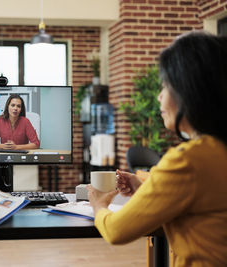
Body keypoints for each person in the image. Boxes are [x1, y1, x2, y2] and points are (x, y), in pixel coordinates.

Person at [87, 31, 227, 266]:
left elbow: (116, 231)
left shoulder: (188, 160)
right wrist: (146, 186)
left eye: (166, 86)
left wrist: (99, 204)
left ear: (189, 91)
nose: (159, 96)